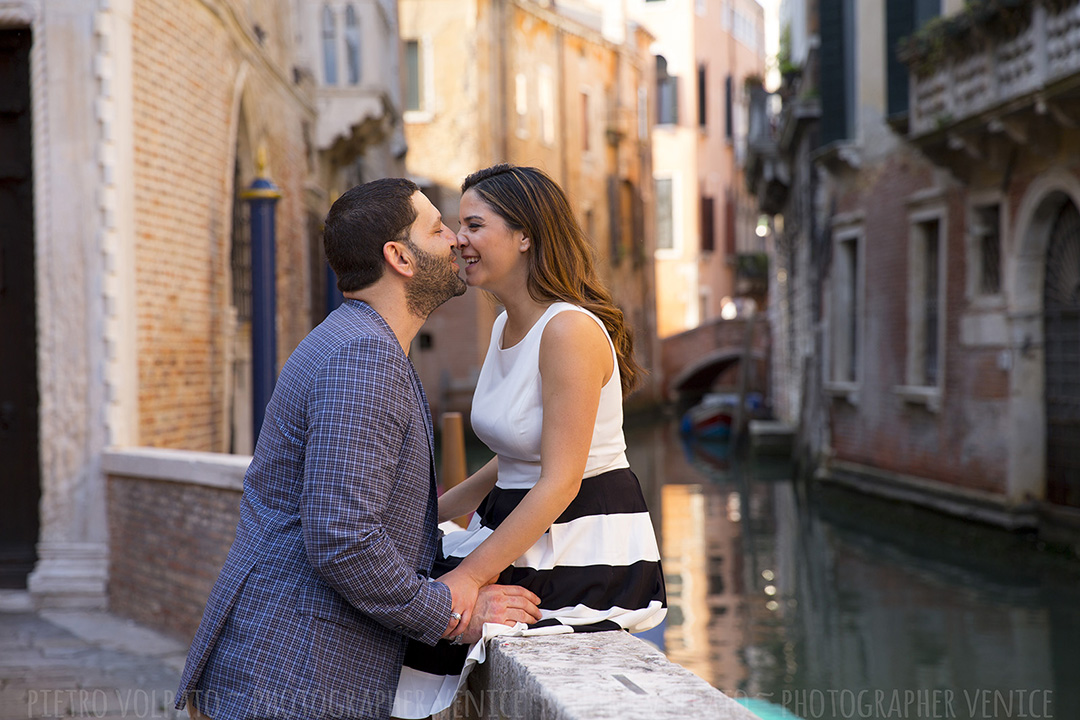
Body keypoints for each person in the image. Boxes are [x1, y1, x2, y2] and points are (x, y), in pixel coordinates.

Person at [174, 178, 542, 720]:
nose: (455, 241)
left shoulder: (350, 339)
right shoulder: (364, 359)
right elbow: (344, 540)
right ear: (400, 257)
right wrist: (451, 612)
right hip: (293, 681)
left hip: (280, 670)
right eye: (437, 229)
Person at [392, 164, 667, 718]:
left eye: (473, 225)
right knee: (402, 592)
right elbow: (513, 455)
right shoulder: (504, 325)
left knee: (429, 616)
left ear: (525, 236)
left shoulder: (568, 330)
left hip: (577, 537)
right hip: (518, 519)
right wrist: (429, 513)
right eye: (456, 226)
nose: (458, 240)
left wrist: (468, 579)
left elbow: (562, 479)